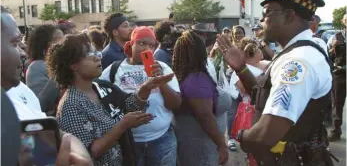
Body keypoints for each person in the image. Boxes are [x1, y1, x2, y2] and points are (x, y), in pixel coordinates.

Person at [217, 0, 334, 165]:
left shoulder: (298, 61)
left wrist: (241, 136)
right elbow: (267, 96)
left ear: (289, 16)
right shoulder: (293, 52)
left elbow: (265, 135)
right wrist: (241, 68)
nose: (262, 20)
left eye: (267, 12)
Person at [46, 33, 174, 165]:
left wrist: (146, 88)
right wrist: (123, 125)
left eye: (96, 52)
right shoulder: (70, 105)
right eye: (89, 55)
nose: (97, 58)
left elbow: (128, 106)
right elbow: (89, 152)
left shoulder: (101, 86)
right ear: (73, 65)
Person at [0, 5, 93, 166]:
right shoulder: (35, 69)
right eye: (15, 43)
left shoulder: (18, 90)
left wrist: (79, 155)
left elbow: (55, 131)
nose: (22, 52)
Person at [100, 26, 182, 166]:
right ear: (131, 44)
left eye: (151, 45)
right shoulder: (114, 69)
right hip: (127, 142)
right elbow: (99, 98)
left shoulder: (162, 67)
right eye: (141, 43)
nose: (146, 49)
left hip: (162, 141)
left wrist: (160, 79)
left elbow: (175, 104)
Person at [172, 30, 228, 166]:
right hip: (200, 148)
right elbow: (205, 115)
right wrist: (222, 145)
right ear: (199, 52)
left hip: (198, 144)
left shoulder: (188, 76)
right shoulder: (195, 80)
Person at [328, 16, 346, 141]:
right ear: (343, 22)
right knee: (337, 103)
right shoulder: (335, 36)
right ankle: (336, 131)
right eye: (346, 20)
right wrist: (332, 47)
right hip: (339, 73)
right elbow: (327, 54)